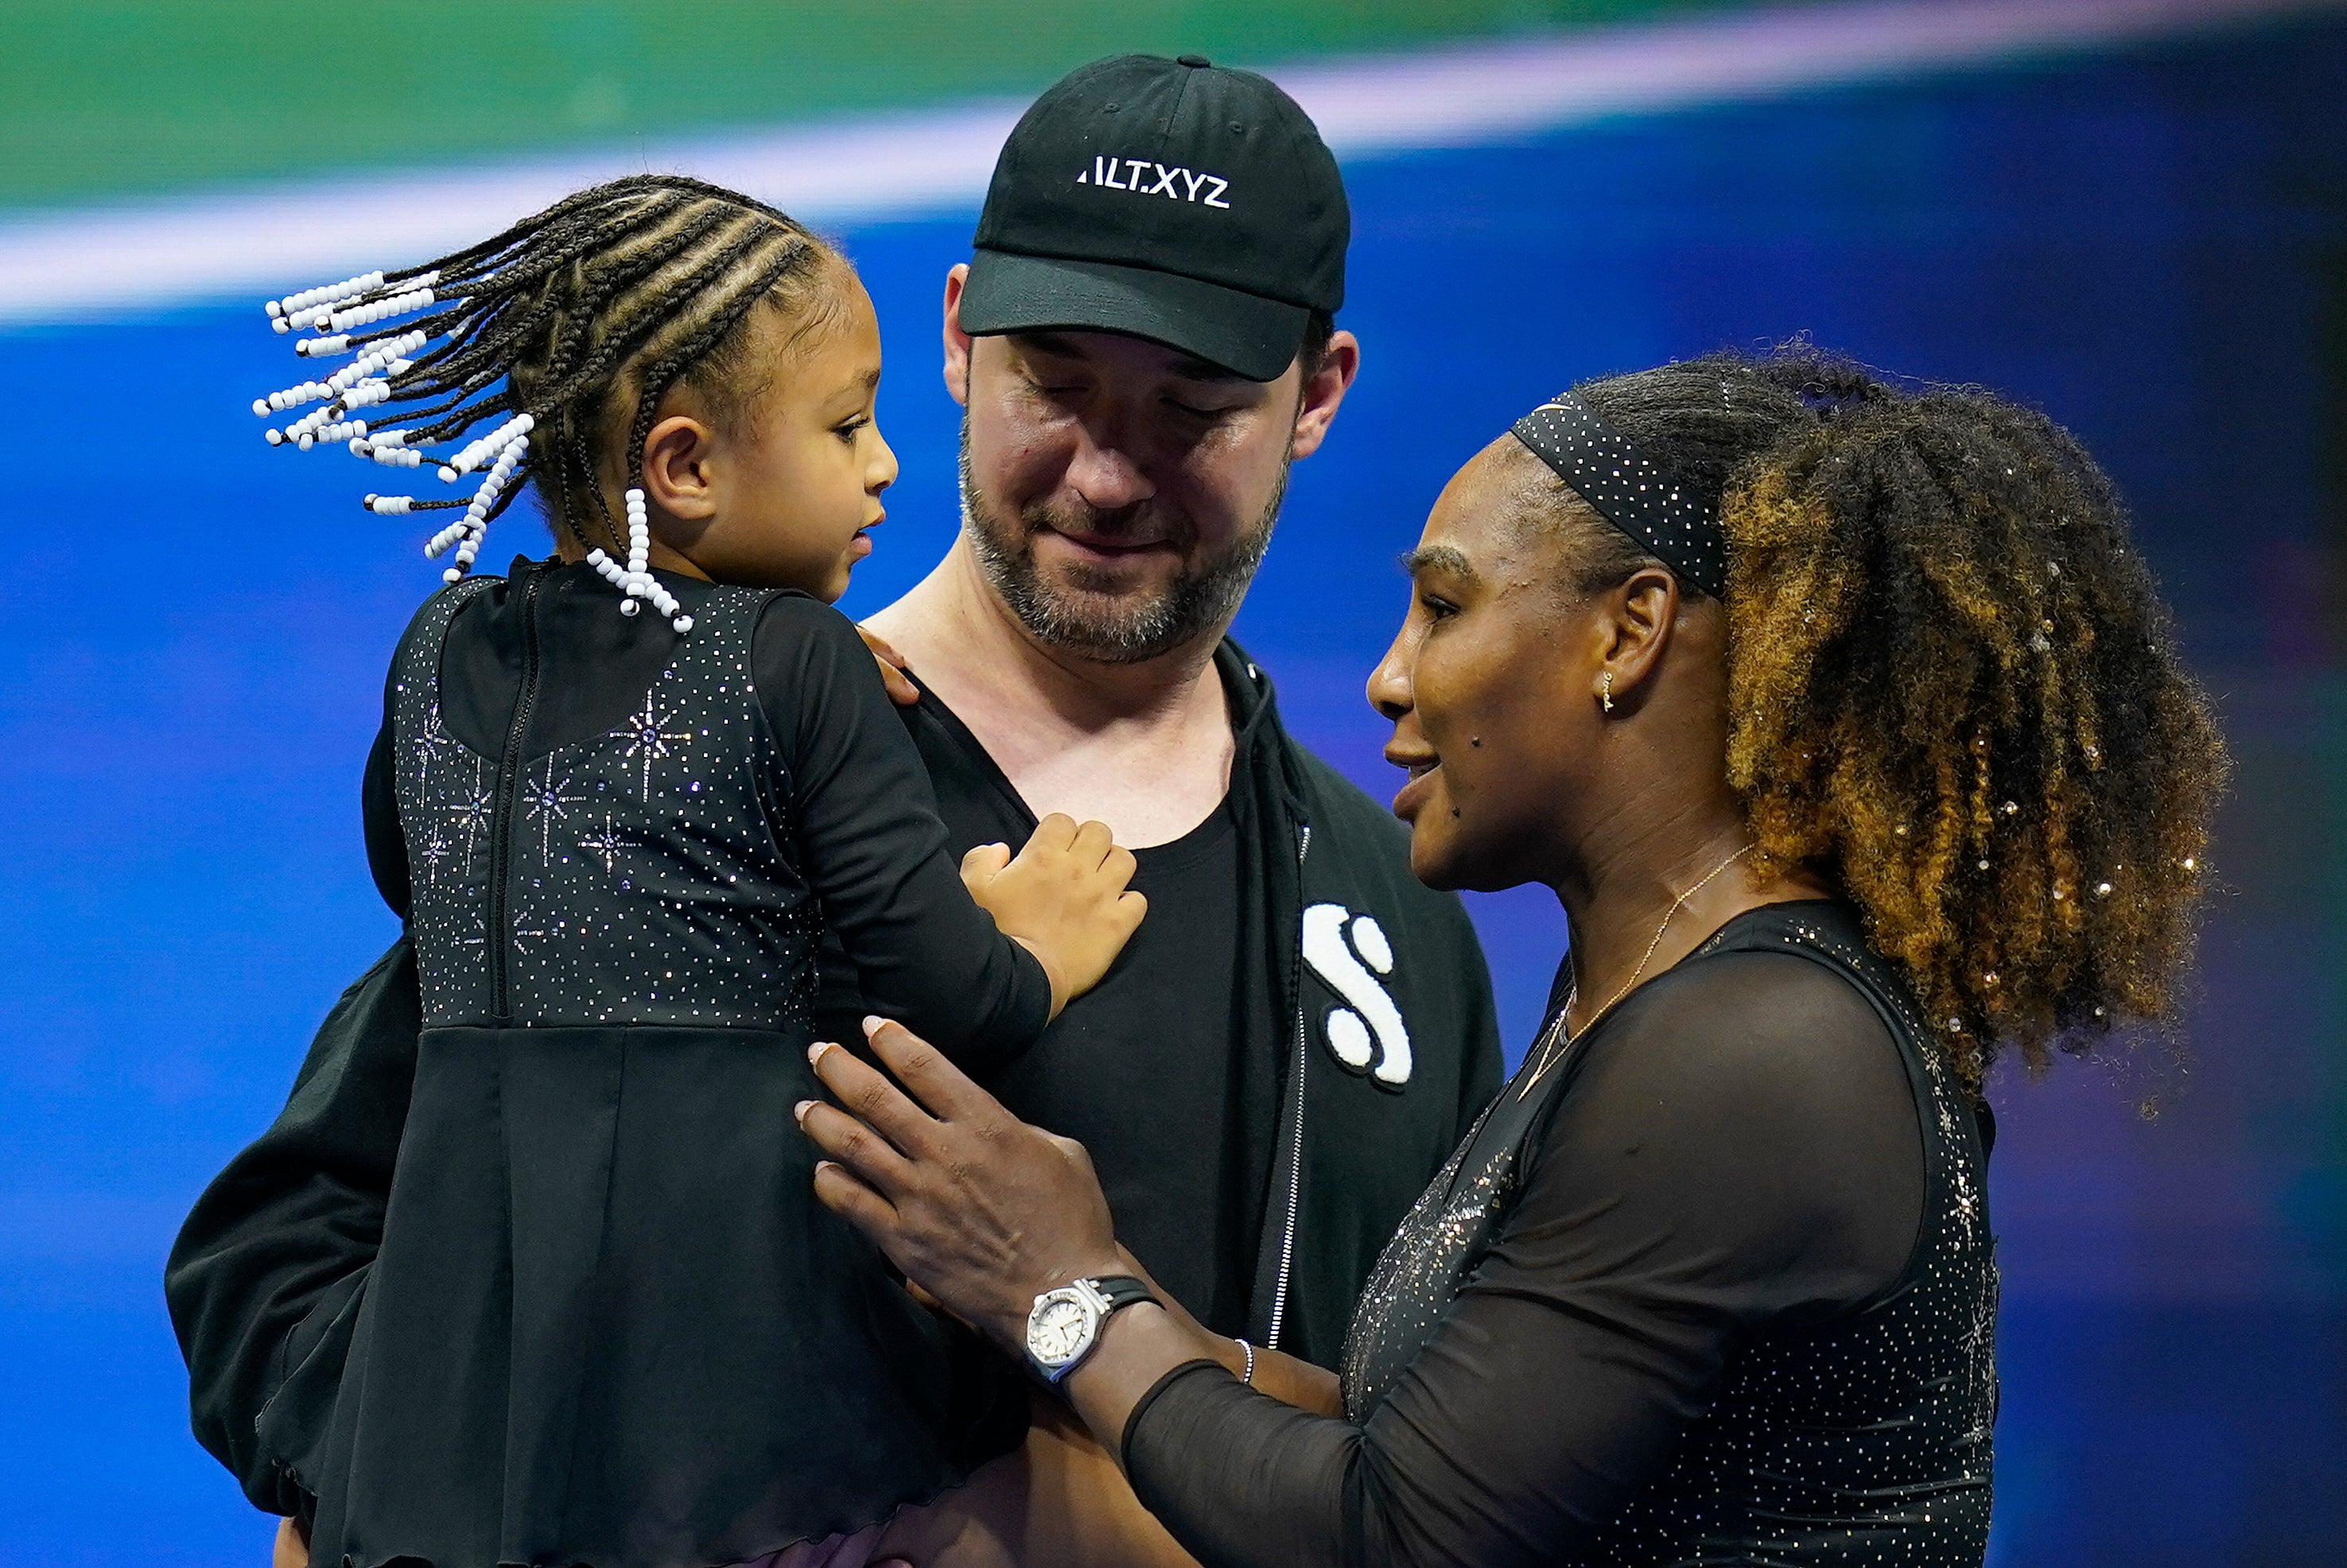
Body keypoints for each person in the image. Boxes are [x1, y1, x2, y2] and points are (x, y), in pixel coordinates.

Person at [799, 347, 2229, 1566]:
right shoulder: (1657, 995)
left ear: (1630, 632)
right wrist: (1097, 1309)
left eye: (1447, 604)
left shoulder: (1755, 1051)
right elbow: (1418, 1434)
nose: (1389, 676)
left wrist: (1062, 1287)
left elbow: (1397, 1533)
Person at [165, 176, 1148, 1568]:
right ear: (683, 466)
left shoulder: (440, 643)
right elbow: (948, 999)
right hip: (728, 1373)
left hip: (459, 1383)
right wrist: (1031, 941)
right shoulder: (798, 660)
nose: (883, 468)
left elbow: (418, 884)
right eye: (848, 424)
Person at [810, 55, 1504, 1558]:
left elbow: (1447, 1472)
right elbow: (321, 1286)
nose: (1109, 476)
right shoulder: (707, 776)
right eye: (1055, 388)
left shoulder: (1402, 911)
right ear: (954, 339)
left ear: (1316, 398)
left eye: (1192, 409)